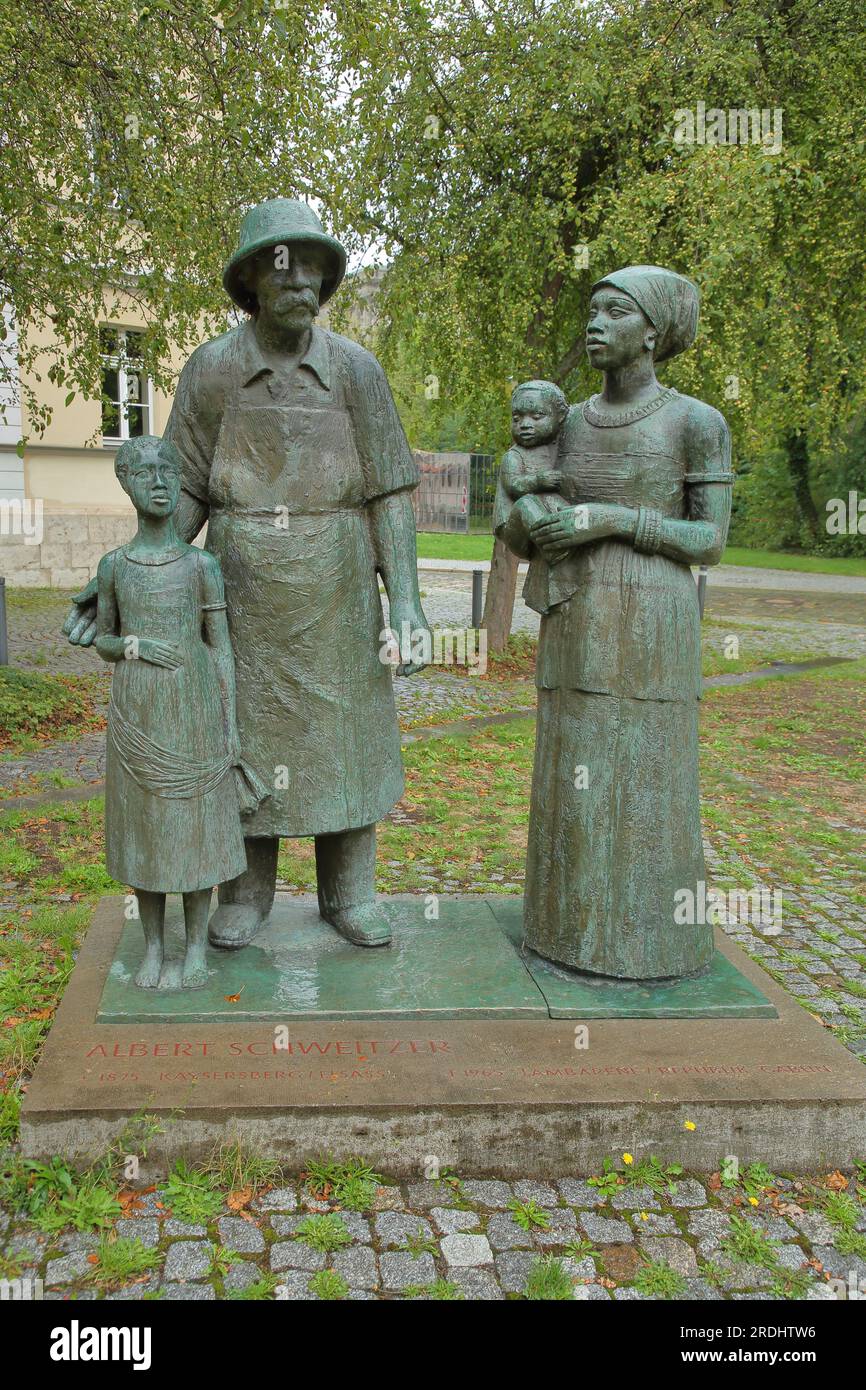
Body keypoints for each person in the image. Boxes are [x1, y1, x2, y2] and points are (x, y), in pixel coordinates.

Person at [66, 199, 430, 951]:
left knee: (347, 741)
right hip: (242, 590)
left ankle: (350, 892)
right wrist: (130, 579)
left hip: (337, 590)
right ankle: (247, 892)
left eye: (316, 274)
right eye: (283, 269)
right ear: (252, 283)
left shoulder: (358, 372)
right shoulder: (214, 370)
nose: (303, 286)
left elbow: (391, 491)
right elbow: (182, 486)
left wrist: (412, 604)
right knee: (245, 730)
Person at [498, 265, 733, 979]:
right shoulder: (563, 421)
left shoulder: (695, 422)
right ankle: (566, 929)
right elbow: (516, 529)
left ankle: (652, 940)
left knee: (648, 777)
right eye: (591, 311)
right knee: (577, 778)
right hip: (575, 615)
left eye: (614, 312)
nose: (594, 324)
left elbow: (710, 540)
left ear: (654, 333)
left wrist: (609, 519)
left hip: (655, 619)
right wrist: (529, 521)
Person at [94, 436, 264, 989]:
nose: (160, 482)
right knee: (147, 832)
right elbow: (104, 637)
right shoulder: (114, 566)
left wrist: (230, 726)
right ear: (127, 484)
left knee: (192, 833)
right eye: (145, 473)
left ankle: (194, 949)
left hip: (193, 708)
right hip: (138, 709)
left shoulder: (201, 565)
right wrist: (133, 646)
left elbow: (221, 647)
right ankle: (152, 947)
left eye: (168, 470)